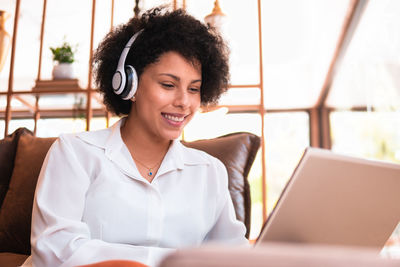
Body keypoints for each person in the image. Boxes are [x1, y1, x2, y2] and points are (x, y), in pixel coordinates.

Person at [28, 7, 247, 267]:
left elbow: (235, 257)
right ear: (128, 84)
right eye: (168, 85)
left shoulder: (210, 172)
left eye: (194, 89)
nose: (184, 102)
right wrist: (171, 261)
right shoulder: (74, 153)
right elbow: (55, 252)